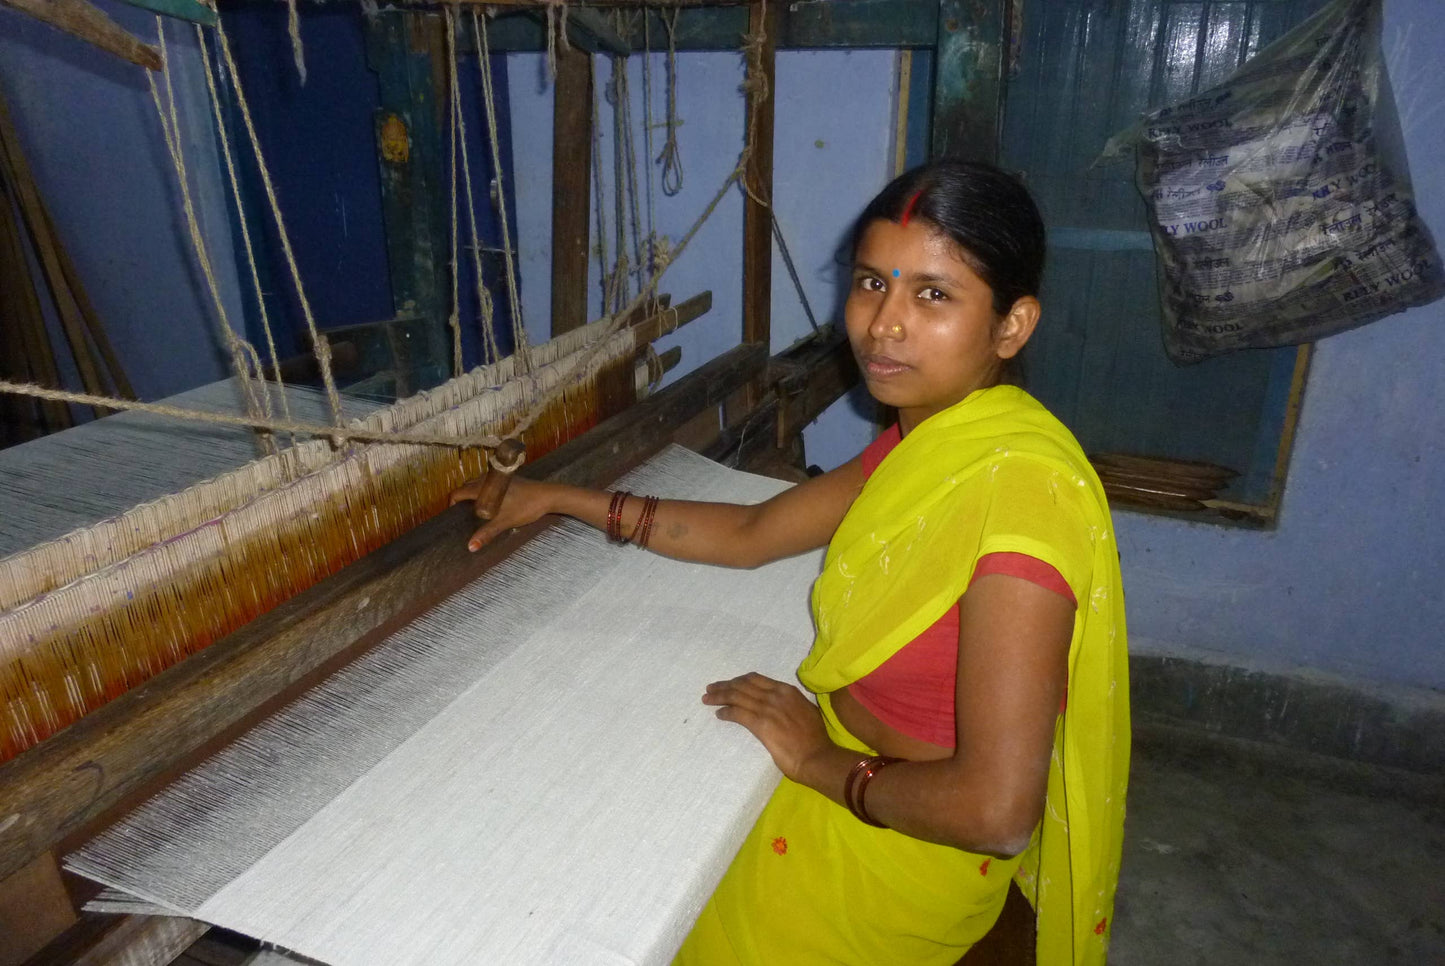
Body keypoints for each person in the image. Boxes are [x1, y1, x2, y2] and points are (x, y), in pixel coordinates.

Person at [451, 159, 1129, 966]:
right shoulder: (925, 443)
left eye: (933, 295)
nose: (884, 325)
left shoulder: (1018, 500)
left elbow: (994, 811)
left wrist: (818, 761)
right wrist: (560, 499)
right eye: (872, 283)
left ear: (1012, 325)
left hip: (900, 841)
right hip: (847, 782)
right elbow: (754, 532)